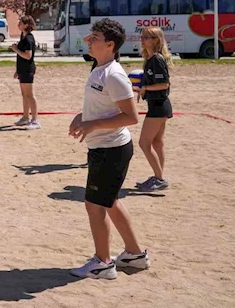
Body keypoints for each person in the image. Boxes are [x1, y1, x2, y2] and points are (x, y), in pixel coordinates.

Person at [68, 19, 149, 279]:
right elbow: (103, 106)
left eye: (95, 38)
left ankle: (103, 263)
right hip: (104, 147)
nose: (88, 41)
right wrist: (82, 117)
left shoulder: (114, 74)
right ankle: (135, 255)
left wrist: (92, 124)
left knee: (95, 205)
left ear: (110, 45)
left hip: (111, 148)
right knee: (109, 201)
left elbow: (131, 116)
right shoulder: (99, 68)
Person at [135, 26, 173, 192]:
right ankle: (158, 177)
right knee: (157, 142)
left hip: (159, 106)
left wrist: (145, 89)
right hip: (158, 105)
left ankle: (159, 178)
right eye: (142, 36)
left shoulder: (156, 59)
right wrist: (142, 88)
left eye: (146, 37)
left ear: (156, 40)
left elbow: (164, 84)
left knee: (144, 143)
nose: (142, 39)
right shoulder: (151, 58)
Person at [12, 16, 40, 130]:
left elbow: (28, 56)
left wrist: (16, 49)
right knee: (24, 95)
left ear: (26, 25)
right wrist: (17, 70)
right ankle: (25, 117)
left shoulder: (29, 38)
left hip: (28, 69)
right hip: (22, 69)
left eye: (20, 23)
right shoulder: (23, 36)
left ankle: (35, 120)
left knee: (30, 95)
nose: (18, 24)